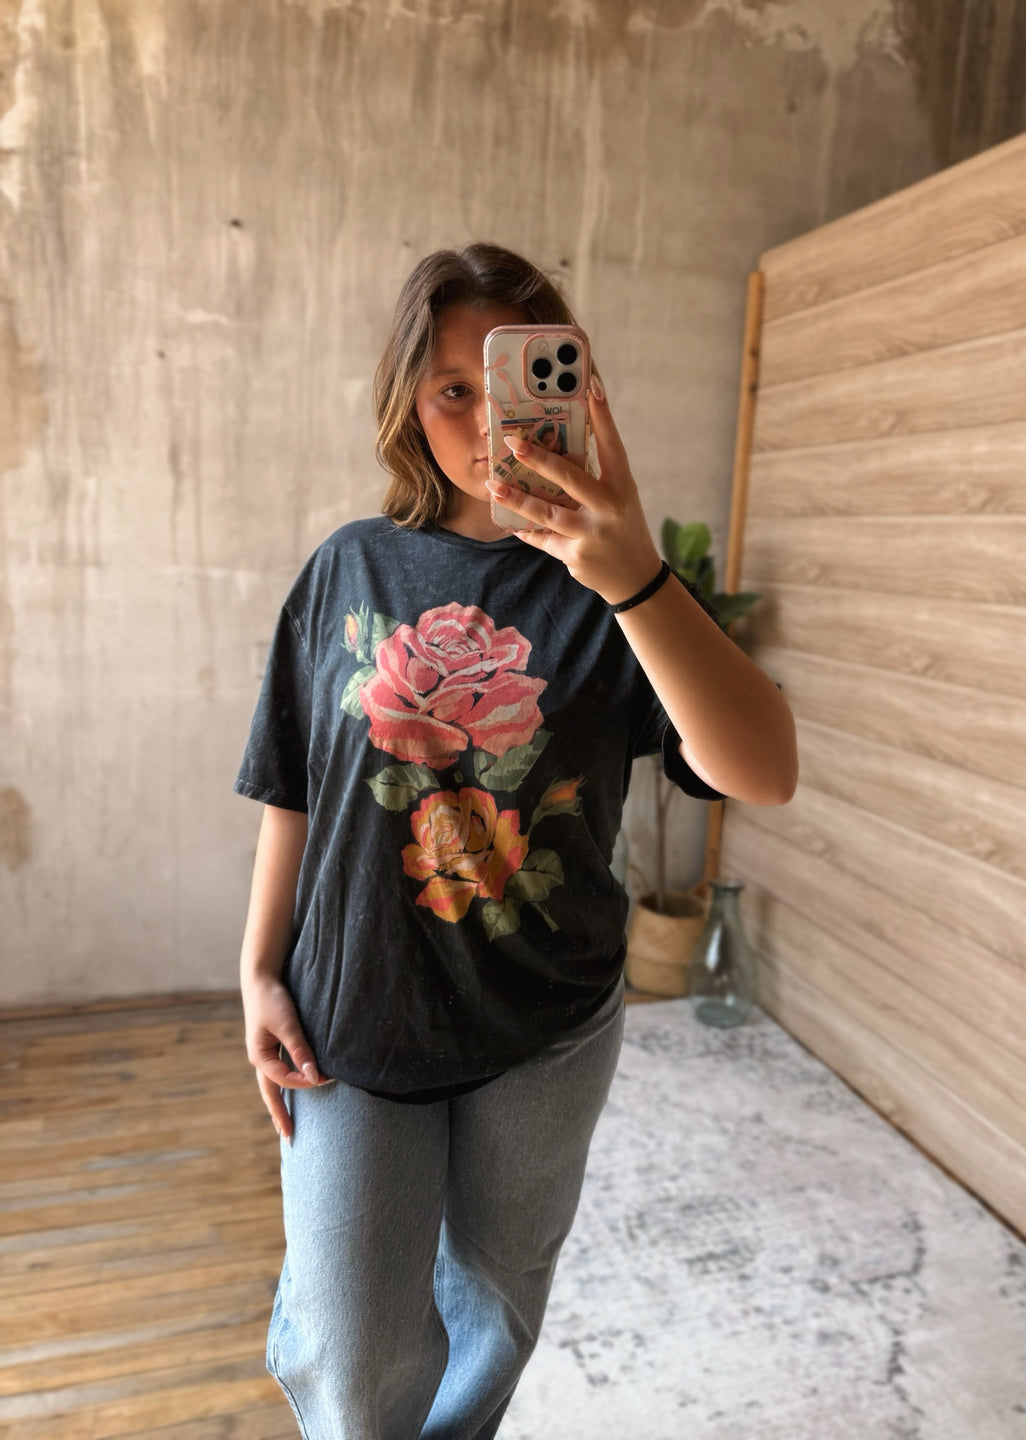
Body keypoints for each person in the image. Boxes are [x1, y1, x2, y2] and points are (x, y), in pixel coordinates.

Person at [235, 242, 797, 1440]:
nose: (490, 420)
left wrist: (635, 570)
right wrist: (257, 967)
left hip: (546, 1026)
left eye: (519, 380)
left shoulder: (616, 590)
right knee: (349, 1341)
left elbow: (765, 769)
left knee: (495, 1305)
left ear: (575, 391)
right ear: (408, 402)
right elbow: (293, 774)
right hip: (358, 1016)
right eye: (452, 388)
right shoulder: (351, 563)